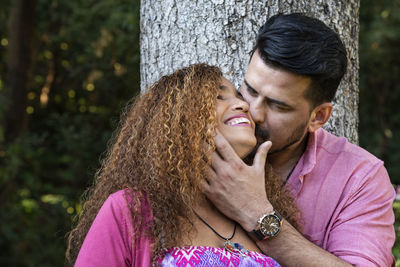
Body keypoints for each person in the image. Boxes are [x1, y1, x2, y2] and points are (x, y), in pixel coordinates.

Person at [204, 13, 396, 267]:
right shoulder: (203, 146)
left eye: (277, 106)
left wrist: (257, 214)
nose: (254, 112)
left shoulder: (359, 178)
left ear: (318, 116)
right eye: (250, 90)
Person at [66, 64, 302, 266]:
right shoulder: (132, 210)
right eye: (219, 97)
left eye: (240, 98)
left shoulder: (265, 217)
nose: (244, 106)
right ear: (181, 119)